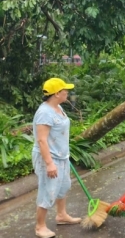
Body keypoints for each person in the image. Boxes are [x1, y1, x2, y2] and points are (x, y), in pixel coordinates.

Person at [32, 78, 81, 238]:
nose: (67, 92)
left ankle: (61, 215)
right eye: (65, 90)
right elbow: (42, 140)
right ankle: (40, 227)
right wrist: (49, 164)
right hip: (49, 159)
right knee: (48, 191)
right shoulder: (45, 113)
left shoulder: (58, 107)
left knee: (63, 186)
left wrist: (63, 155)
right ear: (57, 93)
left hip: (62, 156)